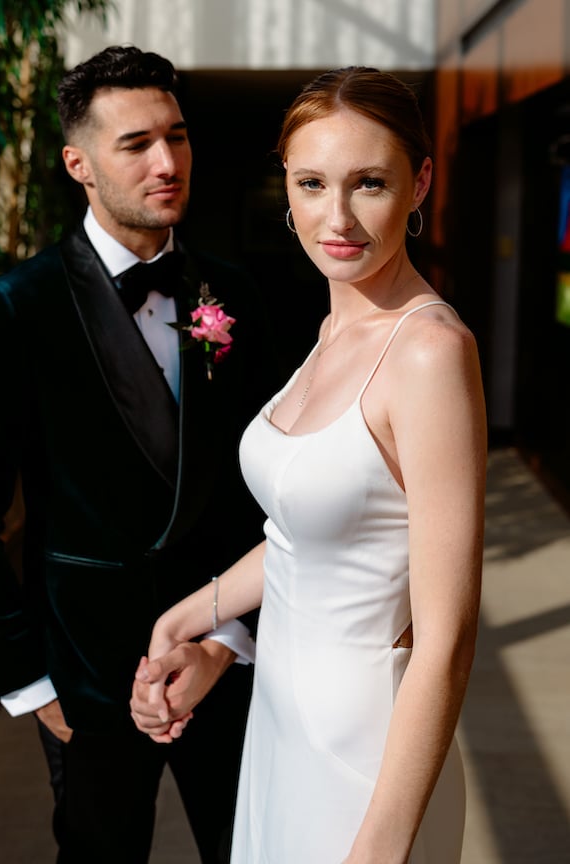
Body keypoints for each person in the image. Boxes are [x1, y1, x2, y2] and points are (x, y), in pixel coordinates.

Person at [0, 45, 278, 864]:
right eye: (136, 144)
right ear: (77, 163)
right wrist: (31, 687)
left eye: (178, 135)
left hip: (225, 657)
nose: (168, 162)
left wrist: (228, 643)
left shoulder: (232, 295)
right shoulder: (14, 309)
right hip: (84, 677)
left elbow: (266, 494)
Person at [132, 66, 487, 863]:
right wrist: (190, 618)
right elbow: (304, 531)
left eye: (369, 183)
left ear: (420, 181)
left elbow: (447, 636)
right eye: (312, 182)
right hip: (280, 732)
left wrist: (382, 846)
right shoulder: (331, 331)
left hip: (365, 764)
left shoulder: (429, 353)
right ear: (285, 190)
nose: (338, 218)